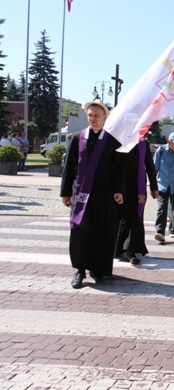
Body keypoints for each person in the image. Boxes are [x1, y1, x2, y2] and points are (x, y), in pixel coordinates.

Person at [60, 101, 126, 289]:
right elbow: (69, 168)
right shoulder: (78, 138)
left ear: (105, 117)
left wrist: (119, 190)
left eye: (97, 115)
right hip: (80, 194)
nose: (93, 118)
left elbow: (120, 168)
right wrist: (65, 192)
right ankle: (79, 270)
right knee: (79, 231)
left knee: (100, 231)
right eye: (90, 115)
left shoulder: (113, 141)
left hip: (104, 196)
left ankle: (98, 269)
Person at [115, 138, 159, 264]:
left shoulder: (143, 142)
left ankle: (131, 250)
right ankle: (118, 247)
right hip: (119, 186)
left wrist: (154, 187)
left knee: (135, 218)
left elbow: (149, 165)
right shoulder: (119, 139)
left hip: (138, 186)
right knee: (121, 217)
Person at [153, 132, 174, 243]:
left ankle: (173, 230)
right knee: (162, 208)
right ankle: (160, 232)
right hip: (162, 184)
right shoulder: (160, 152)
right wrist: (153, 186)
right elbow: (155, 169)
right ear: (168, 142)